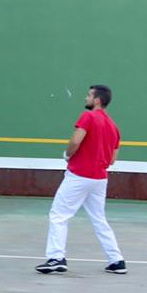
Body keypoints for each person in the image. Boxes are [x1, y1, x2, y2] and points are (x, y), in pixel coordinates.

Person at [36, 85, 127, 275]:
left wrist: (68, 155)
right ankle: (117, 260)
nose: (85, 98)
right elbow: (112, 159)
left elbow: (76, 141)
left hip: (79, 176)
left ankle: (56, 258)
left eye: (89, 95)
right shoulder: (114, 127)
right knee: (99, 219)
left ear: (97, 100)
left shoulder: (88, 117)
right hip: (100, 179)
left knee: (59, 215)